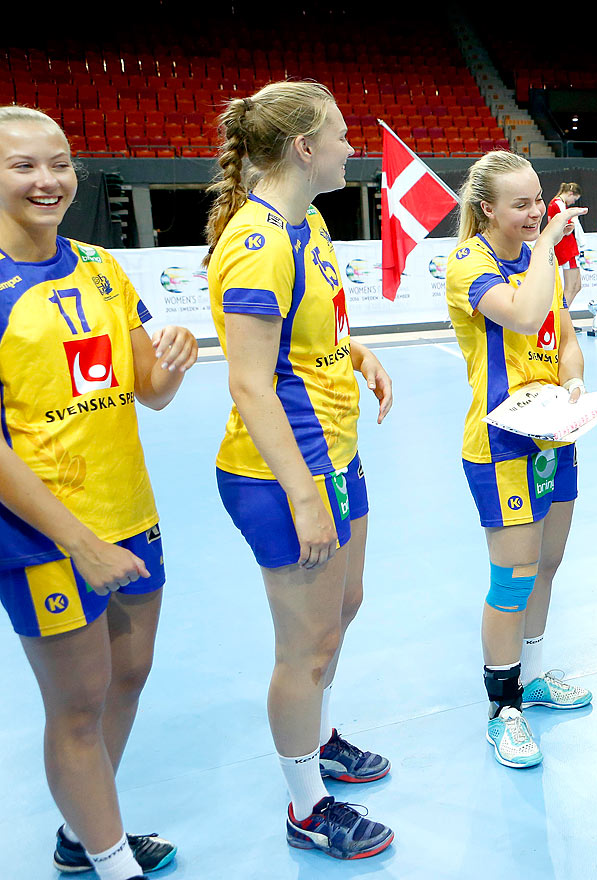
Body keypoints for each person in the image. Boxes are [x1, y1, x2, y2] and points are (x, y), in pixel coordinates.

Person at [0, 105, 193, 880]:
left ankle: (86, 832)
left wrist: (172, 361)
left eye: (59, 163)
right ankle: (113, 864)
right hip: (45, 536)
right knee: (76, 707)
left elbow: (150, 392)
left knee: (129, 677)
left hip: (130, 514)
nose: (49, 181)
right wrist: (77, 538)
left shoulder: (102, 267)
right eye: (23, 166)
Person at [205, 81, 396, 858]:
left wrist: (355, 352)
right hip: (282, 474)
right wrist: (303, 496)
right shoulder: (255, 244)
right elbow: (249, 382)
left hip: (337, 453)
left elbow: (300, 335)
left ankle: (316, 736)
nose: (355, 147)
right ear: (304, 149)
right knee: (305, 646)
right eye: (344, 136)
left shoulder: (308, 223)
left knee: (343, 607)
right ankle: (305, 806)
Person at [445, 150, 594, 769]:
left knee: (549, 563)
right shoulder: (468, 263)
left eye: (539, 200)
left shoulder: (541, 260)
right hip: (501, 444)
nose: (537, 212)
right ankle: (502, 706)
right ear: (487, 209)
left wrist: (575, 380)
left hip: (555, 435)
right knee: (513, 577)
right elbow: (526, 312)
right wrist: (548, 246)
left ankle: (531, 677)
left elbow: (561, 331)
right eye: (522, 204)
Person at [548, 182, 583, 307]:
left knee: (577, 285)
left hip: (568, 248)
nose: (573, 202)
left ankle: (565, 315)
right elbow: (567, 228)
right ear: (571, 193)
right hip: (566, 248)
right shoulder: (558, 204)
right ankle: (562, 319)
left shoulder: (558, 204)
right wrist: (574, 220)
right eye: (574, 199)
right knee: (571, 286)